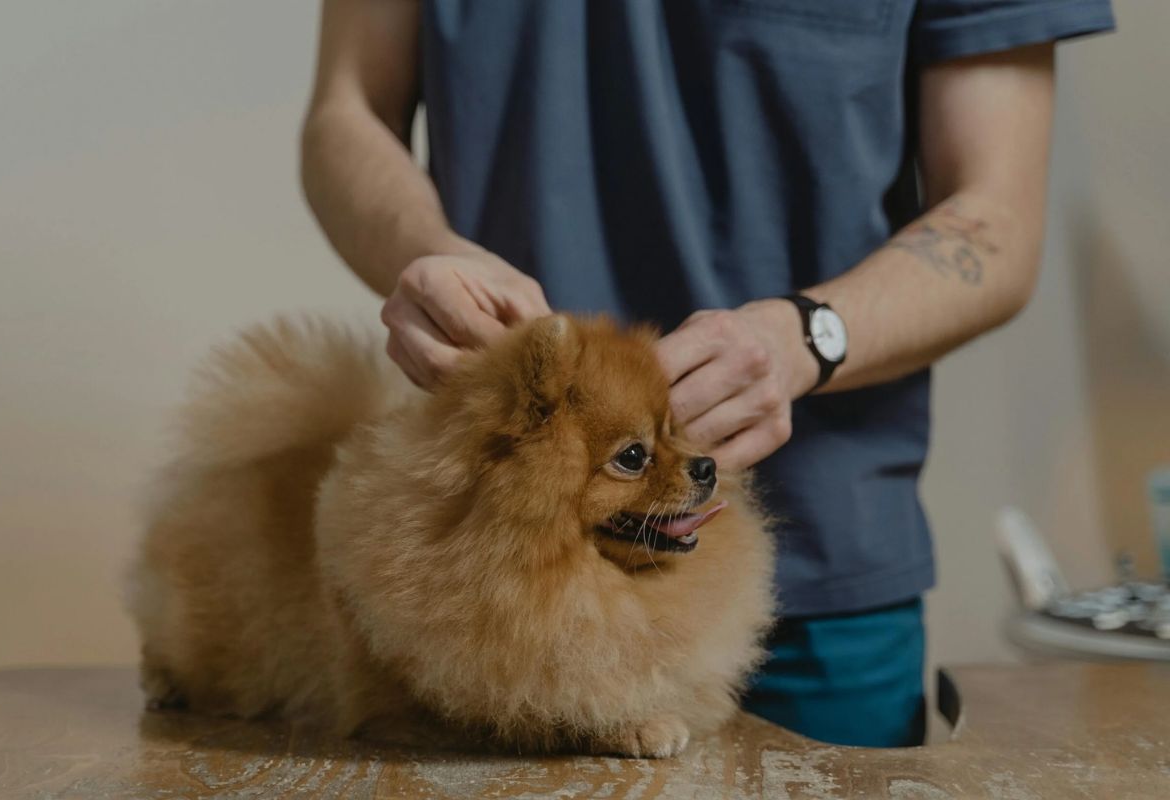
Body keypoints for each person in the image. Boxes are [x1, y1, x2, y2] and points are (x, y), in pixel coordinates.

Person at [299, 0, 1114, 747]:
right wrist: (424, 251)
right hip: (487, 601)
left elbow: (997, 220)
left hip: (814, 588)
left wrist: (808, 338)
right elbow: (346, 112)